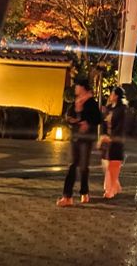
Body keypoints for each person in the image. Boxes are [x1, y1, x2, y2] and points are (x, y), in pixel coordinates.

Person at [57, 79, 101, 207]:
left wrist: (87, 123)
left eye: (77, 86)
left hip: (86, 139)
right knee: (72, 165)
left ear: (83, 88)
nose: (75, 88)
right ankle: (67, 196)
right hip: (75, 137)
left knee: (83, 167)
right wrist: (71, 119)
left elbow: (98, 119)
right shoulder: (75, 102)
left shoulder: (91, 103)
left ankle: (84, 192)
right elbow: (68, 115)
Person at [101, 86, 127, 200]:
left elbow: (122, 126)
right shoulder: (108, 108)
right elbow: (103, 122)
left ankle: (109, 190)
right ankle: (114, 186)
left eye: (112, 94)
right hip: (107, 141)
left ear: (116, 96)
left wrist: (113, 136)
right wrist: (103, 135)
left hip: (116, 141)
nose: (110, 96)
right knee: (106, 165)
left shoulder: (122, 110)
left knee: (113, 166)